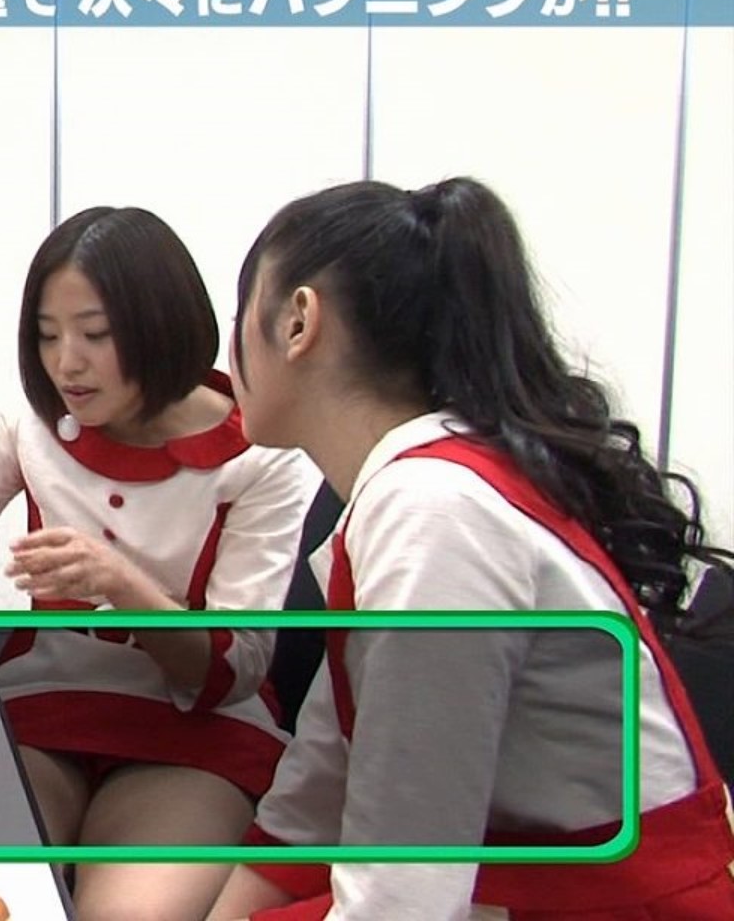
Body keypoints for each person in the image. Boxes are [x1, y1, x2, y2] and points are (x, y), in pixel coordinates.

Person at [209, 177, 734, 920]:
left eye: (240, 313)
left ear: (298, 321)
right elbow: (314, 796)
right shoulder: (414, 494)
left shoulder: (434, 513)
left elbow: (404, 896)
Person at [0, 206, 319, 921]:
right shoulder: (35, 425)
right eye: (48, 335)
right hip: (44, 709)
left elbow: (235, 667)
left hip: (192, 735)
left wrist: (120, 583)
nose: (67, 363)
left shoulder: (257, 456)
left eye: (95, 334)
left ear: (160, 324)